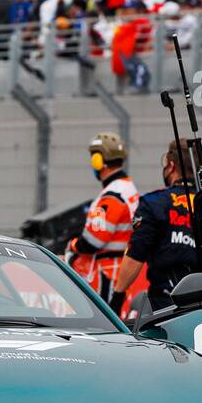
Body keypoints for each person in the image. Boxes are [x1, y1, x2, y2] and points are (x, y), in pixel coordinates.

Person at [114, 139, 198, 313]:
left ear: (171, 166)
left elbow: (136, 254)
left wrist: (117, 296)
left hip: (166, 303)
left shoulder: (154, 203)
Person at [66, 133, 139, 311]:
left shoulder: (112, 196)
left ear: (99, 160)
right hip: (118, 269)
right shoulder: (127, 188)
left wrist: (73, 245)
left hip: (107, 274)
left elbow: (93, 242)